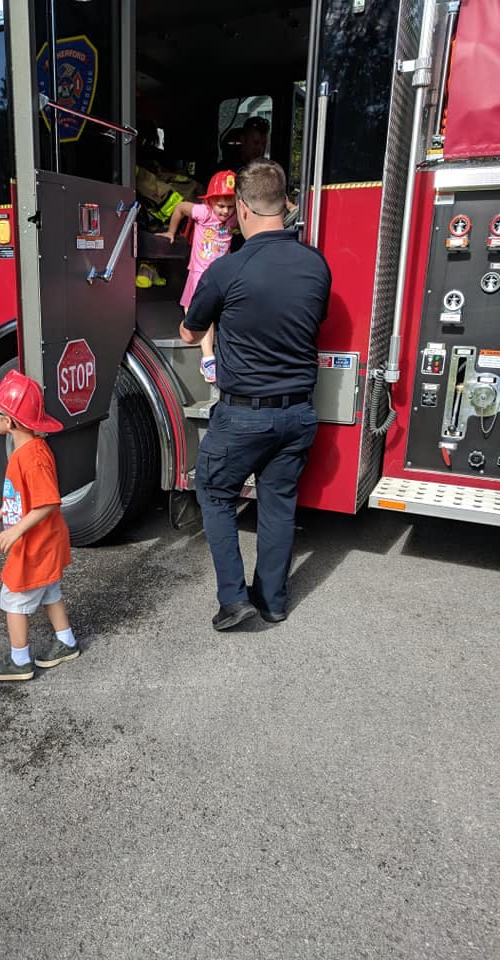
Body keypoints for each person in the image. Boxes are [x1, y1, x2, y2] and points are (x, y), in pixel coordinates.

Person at [180, 160, 331, 631]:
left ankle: (233, 599)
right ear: (285, 205)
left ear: (241, 208)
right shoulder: (316, 265)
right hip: (300, 414)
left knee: (214, 490)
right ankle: (274, 601)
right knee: (279, 501)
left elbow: (190, 333)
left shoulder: (228, 269)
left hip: (244, 415)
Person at [0, 369, 79, 681]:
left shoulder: (31, 457)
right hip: (43, 542)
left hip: (35, 545)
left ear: (8, 422)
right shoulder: (27, 450)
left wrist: (15, 530)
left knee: (13, 596)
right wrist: (2, 514)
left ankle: (19, 661)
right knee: (50, 592)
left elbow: (48, 501)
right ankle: (66, 642)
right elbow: (25, 496)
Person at [157, 170, 237, 383]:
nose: (225, 211)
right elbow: (180, 208)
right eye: (221, 206)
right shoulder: (203, 212)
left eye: (230, 206)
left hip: (221, 274)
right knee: (202, 313)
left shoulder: (233, 217)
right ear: (211, 201)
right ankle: (208, 359)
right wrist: (171, 232)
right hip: (200, 273)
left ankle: (215, 354)